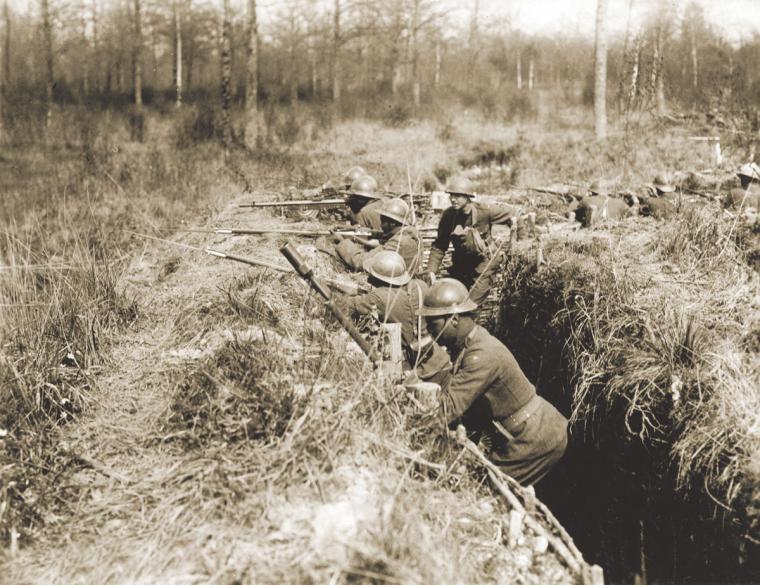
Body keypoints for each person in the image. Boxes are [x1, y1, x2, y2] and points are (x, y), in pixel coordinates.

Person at [415, 278, 568, 486]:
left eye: (434, 326)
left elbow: (448, 409)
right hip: (527, 431)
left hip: (534, 439)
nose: (432, 334)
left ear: (453, 319)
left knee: (482, 492)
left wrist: (412, 429)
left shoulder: (481, 355)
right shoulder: (471, 346)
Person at [336, 251, 451, 385]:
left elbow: (348, 306)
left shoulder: (379, 296)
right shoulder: (421, 285)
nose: (369, 278)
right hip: (438, 361)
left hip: (412, 370)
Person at [426, 175, 516, 305]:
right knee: (451, 298)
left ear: (468, 196)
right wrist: (431, 270)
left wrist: (520, 241)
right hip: (463, 263)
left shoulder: (484, 211)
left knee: (471, 304)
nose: (453, 199)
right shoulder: (448, 216)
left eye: (457, 196)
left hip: (485, 262)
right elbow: (440, 245)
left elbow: (514, 214)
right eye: (451, 195)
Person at [334, 198, 423, 275]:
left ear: (392, 223)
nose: (380, 225)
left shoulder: (398, 243)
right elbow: (379, 234)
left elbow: (361, 262)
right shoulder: (409, 233)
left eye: (382, 221)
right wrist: (352, 230)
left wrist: (342, 242)